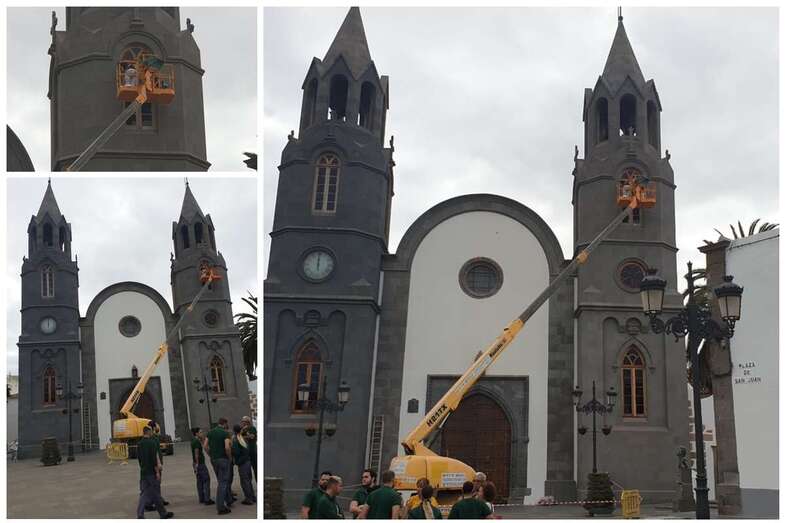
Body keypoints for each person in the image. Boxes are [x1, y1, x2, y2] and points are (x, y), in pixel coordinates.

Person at [136, 425, 173, 519]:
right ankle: (163, 514)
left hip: (143, 472)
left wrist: (142, 468)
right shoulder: (152, 443)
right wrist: (157, 472)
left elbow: (139, 459)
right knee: (156, 494)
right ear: (148, 432)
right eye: (151, 431)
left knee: (144, 494)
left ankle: (140, 514)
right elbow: (154, 459)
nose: (152, 432)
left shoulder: (139, 444)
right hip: (151, 472)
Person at [207, 418, 233, 515]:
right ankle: (221, 507)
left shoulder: (210, 433)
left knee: (221, 481)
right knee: (223, 483)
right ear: (224, 424)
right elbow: (227, 447)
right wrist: (230, 457)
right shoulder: (225, 433)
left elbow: (205, 446)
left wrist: (211, 455)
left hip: (214, 460)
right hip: (223, 459)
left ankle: (228, 500)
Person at [232, 424, 256, 505]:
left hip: (242, 462)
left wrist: (235, 460)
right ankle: (252, 497)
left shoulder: (236, 439)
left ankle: (248, 499)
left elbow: (236, 452)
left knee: (244, 481)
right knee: (248, 480)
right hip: (247, 461)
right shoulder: (242, 438)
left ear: (234, 431)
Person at [191, 427, 214, 505]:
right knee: (206, 480)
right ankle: (207, 499)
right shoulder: (197, 442)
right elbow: (196, 453)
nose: (202, 433)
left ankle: (202, 498)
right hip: (200, 464)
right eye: (200, 432)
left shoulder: (193, 441)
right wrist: (197, 464)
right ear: (196, 433)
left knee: (199, 481)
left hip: (196, 464)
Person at [240, 416, 257, 481]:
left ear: (248, 422)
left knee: (256, 468)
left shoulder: (252, 428)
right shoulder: (242, 429)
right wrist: (243, 430)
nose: (243, 423)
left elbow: (252, 437)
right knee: (247, 470)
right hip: (245, 453)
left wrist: (244, 437)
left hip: (253, 451)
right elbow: (238, 437)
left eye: (244, 421)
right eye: (242, 421)